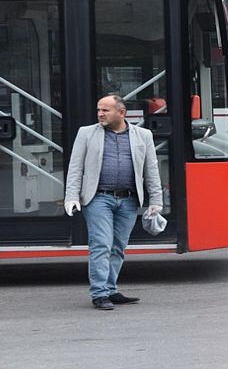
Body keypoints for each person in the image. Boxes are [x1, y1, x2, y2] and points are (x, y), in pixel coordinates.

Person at [64, 95, 163, 310]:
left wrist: (156, 200)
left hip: (128, 200)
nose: (100, 114)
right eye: (99, 109)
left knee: (118, 247)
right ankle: (99, 294)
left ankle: (111, 289)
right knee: (101, 245)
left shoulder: (143, 135)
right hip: (98, 198)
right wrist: (71, 196)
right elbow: (75, 168)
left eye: (105, 110)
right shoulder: (86, 133)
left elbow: (151, 170)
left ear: (121, 112)